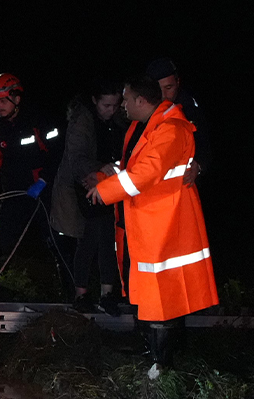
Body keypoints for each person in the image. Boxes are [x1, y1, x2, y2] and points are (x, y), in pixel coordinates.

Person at [87, 75, 217, 375]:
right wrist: (104, 179)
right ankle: (154, 354)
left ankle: (162, 363)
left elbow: (146, 173)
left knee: (163, 297)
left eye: (127, 99)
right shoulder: (147, 126)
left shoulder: (170, 129)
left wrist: (104, 191)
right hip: (149, 223)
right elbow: (133, 167)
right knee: (150, 294)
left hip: (165, 225)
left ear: (141, 102)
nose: (123, 105)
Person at [0, 73, 72, 298]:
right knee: (1, 241)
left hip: (43, 193)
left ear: (17, 99)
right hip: (14, 194)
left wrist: (43, 181)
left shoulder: (39, 121)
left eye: (3, 101)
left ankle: (72, 291)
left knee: (57, 240)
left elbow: (58, 153)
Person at [51, 81, 125, 315]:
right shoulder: (82, 120)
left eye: (115, 105)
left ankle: (107, 293)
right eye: (106, 105)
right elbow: (76, 158)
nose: (110, 110)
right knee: (88, 240)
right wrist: (99, 171)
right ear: (95, 101)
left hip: (109, 187)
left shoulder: (118, 119)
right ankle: (81, 294)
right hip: (82, 188)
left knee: (108, 241)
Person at [145, 57, 210, 185]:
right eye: (158, 89)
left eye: (168, 87)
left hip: (180, 185)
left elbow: (203, 142)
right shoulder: (140, 105)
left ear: (178, 82)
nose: (163, 95)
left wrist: (199, 164)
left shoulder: (189, 107)